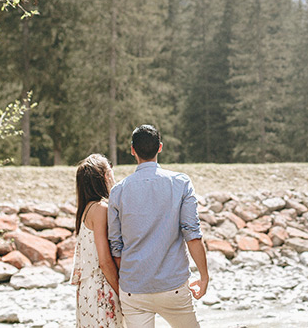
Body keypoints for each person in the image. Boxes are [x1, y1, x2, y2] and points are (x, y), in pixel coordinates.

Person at [108, 124, 209, 328]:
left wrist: (133, 275)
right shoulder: (181, 183)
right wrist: (204, 276)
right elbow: (193, 235)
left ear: (132, 150)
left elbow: (115, 245)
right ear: (160, 148)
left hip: (133, 289)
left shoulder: (118, 191)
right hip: (173, 286)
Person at [71, 153, 125, 327]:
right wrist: (123, 294)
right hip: (102, 288)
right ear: (105, 176)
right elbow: (104, 261)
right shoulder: (101, 209)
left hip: (87, 291)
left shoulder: (86, 209)